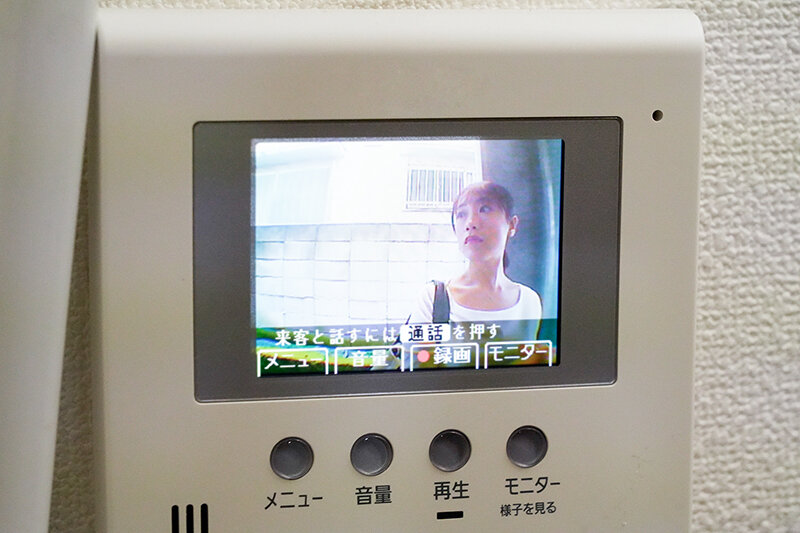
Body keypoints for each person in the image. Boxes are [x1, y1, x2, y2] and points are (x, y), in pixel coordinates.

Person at [408, 181, 542, 325]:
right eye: (461, 214)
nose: (471, 223)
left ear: (511, 224)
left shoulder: (529, 301)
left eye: (485, 209)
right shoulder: (433, 298)